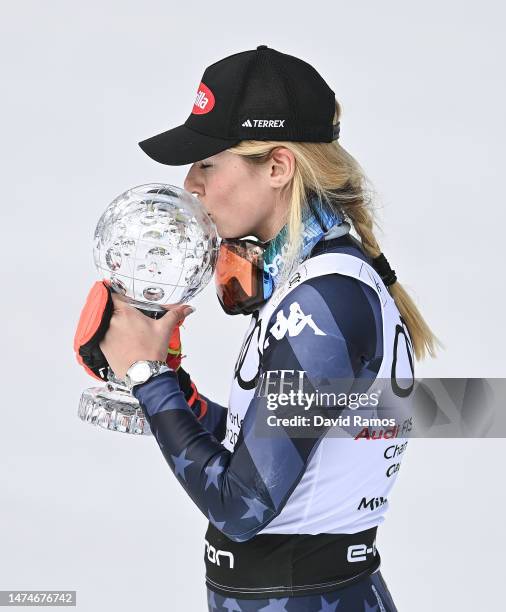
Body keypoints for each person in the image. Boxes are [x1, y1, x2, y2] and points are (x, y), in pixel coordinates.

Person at [97, 45, 442, 611]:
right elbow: (250, 444)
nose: (190, 184)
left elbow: (241, 506)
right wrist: (169, 386)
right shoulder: (308, 284)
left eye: (208, 163)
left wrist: (147, 372)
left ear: (278, 166)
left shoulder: (328, 299)